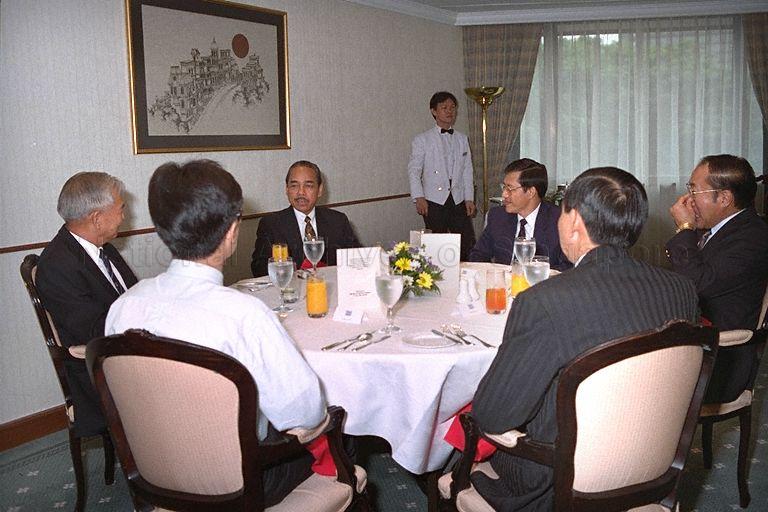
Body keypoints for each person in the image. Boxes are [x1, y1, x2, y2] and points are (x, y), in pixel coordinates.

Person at [470, 167, 699, 511]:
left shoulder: (545, 301)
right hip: (651, 465)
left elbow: (492, 415)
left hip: (554, 480)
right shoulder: (681, 289)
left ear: (574, 220)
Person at [106, 159, 327, 507]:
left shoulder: (123, 307)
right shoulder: (245, 315)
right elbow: (306, 414)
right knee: (343, 434)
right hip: (243, 482)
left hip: (154, 473)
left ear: (164, 231)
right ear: (231, 232)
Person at [36, 171, 138, 437]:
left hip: (124, 351)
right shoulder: (57, 265)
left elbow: (131, 296)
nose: (124, 216)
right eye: (120, 209)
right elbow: (94, 331)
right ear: (97, 218)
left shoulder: (102, 247)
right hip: (99, 372)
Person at [666, 154, 768, 403]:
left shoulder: (752, 237)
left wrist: (684, 229)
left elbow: (694, 284)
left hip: (720, 363)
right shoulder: (719, 230)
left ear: (724, 198)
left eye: (694, 190)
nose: (687, 200)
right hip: (696, 344)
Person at [250, 160, 361, 277]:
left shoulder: (338, 220)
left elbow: (358, 259)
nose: (301, 192)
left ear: (320, 190)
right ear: (286, 189)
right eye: (294, 186)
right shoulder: (271, 224)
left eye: (308, 186)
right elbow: (259, 268)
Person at [408, 91, 476, 260]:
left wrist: (469, 198)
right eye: (444, 107)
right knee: (436, 245)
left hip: (458, 198)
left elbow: (467, 170)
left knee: (466, 242)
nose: (449, 111)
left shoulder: (462, 138)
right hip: (434, 200)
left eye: (452, 107)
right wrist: (419, 197)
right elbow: (414, 170)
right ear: (434, 111)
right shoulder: (422, 139)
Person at [469, 158, 571, 271]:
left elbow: (568, 267)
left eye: (510, 188)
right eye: (504, 187)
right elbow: (478, 256)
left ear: (531, 192)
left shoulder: (560, 220)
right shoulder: (497, 216)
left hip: (543, 286)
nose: (504, 194)